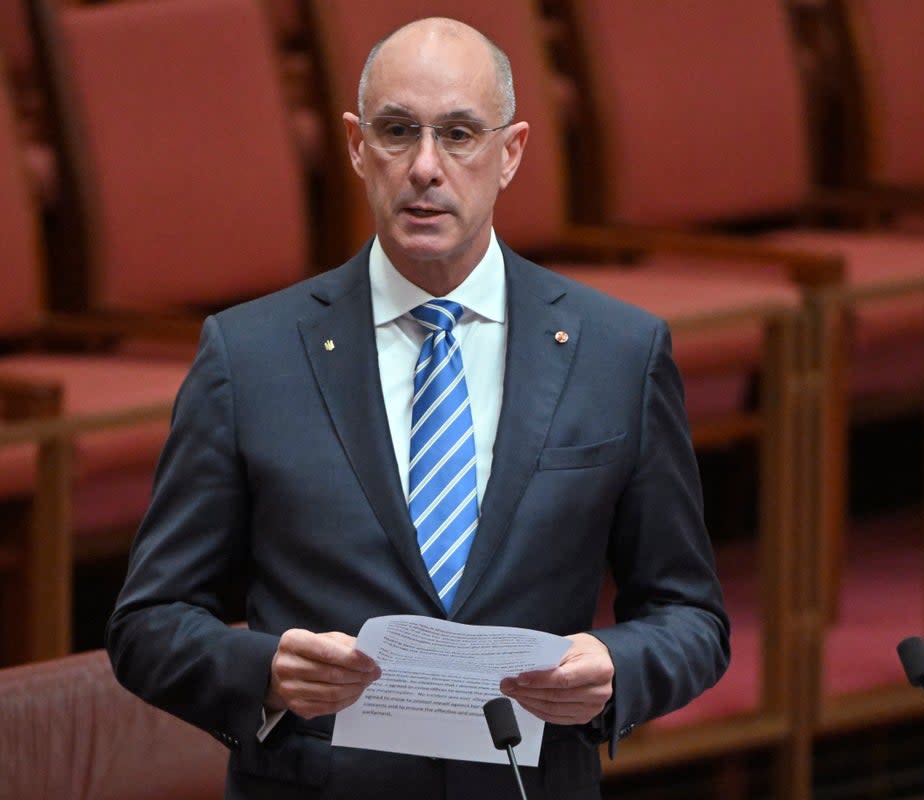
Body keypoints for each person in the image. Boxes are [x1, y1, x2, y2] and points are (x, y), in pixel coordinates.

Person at [106, 16, 728, 800]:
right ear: (357, 146)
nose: (425, 167)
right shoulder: (250, 356)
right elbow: (148, 623)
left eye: (460, 135)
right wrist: (265, 672)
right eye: (398, 131)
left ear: (512, 153)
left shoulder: (617, 354)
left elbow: (689, 616)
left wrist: (617, 670)